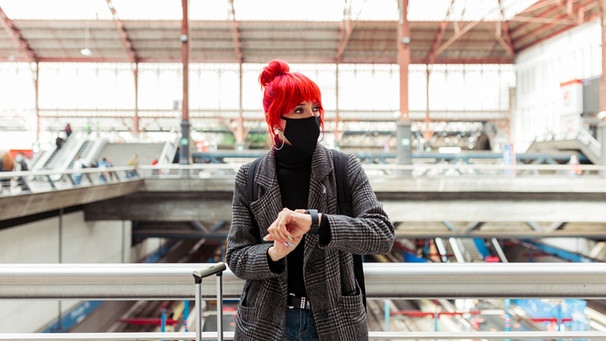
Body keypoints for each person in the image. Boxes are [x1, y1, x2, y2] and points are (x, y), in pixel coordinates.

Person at [225, 59, 395, 340]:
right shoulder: (250, 177)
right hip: (266, 324)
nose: (311, 118)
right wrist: (272, 254)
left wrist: (318, 223)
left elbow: (382, 234)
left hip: (334, 322)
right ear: (276, 121)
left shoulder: (343, 167)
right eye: (299, 110)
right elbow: (236, 255)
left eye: (315, 108)